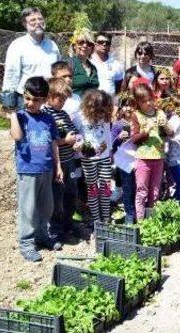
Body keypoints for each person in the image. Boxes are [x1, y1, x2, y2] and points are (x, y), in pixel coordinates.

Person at [7, 76, 62, 262]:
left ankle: (42, 235)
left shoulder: (48, 118)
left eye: (36, 100)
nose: (30, 103)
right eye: (27, 98)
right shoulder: (21, 116)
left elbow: (54, 143)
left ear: (45, 100)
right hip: (27, 170)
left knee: (46, 207)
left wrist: (58, 165)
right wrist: (13, 114)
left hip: (46, 169)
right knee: (27, 209)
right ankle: (26, 243)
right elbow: (16, 136)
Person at [1, 7, 60, 111]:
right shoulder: (17, 46)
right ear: (24, 24)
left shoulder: (53, 46)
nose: (38, 22)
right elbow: (11, 77)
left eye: (40, 19)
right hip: (26, 101)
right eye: (33, 20)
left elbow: (58, 72)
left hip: (50, 99)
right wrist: (9, 106)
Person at [130, 84, 172, 221]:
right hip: (143, 158)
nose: (148, 103)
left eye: (150, 99)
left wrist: (164, 125)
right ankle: (141, 222)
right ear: (138, 103)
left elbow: (171, 133)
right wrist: (145, 132)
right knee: (142, 191)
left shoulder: (160, 113)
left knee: (155, 192)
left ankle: (152, 220)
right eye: (143, 101)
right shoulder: (136, 115)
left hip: (158, 157)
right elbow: (134, 139)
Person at [43, 78, 78, 243]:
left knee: (71, 194)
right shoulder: (46, 114)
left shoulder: (63, 114)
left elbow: (74, 132)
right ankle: (55, 231)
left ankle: (68, 224)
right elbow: (48, 141)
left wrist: (77, 142)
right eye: (60, 99)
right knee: (57, 197)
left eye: (65, 99)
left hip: (69, 160)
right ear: (50, 96)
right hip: (56, 163)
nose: (63, 102)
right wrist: (65, 141)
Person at [72, 89, 113, 226]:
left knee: (106, 187)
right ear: (90, 107)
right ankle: (97, 220)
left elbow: (108, 134)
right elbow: (76, 135)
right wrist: (79, 143)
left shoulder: (105, 116)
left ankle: (106, 217)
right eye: (99, 111)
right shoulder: (79, 117)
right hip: (88, 159)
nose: (101, 114)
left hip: (105, 156)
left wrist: (111, 151)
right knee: (92, 188)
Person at [111, 92, 137, 224]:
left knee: (137, 188)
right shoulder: (117, 125)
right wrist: (118, 138)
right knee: (127, 189)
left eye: (131, 105)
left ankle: (138, 213)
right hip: (124, 162)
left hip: (138, 160)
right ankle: (129, 215)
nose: (129, 108)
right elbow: (111, 144)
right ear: (121, 107)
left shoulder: (138, 122)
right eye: (126, 105)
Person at [90, 31, 124, 97]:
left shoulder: (116, 64)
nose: (104, 44)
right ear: (94, 44)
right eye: (100, 42)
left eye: (107, 43)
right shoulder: (88, 62)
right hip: (91, 104)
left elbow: (119, 86)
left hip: (110, 104)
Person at [68, 28, 99, 97]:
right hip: (73, 106)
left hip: (91, 106)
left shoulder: (93, 68)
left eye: (89, 43)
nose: (85, 45)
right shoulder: (69, 64)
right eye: (81, 42)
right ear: (74, 46)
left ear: (92, 48)